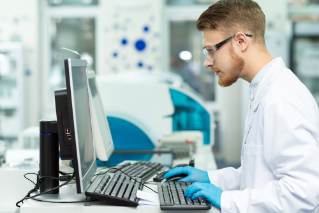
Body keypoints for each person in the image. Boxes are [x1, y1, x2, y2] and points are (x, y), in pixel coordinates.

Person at [164, 0, 319, 212]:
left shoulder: (281, 97)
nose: (207, 62)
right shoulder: (264, 89)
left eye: (211, 50)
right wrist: (212, 177)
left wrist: (226, 200)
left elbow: (302, 193)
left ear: (240, 41)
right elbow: (260, 175)